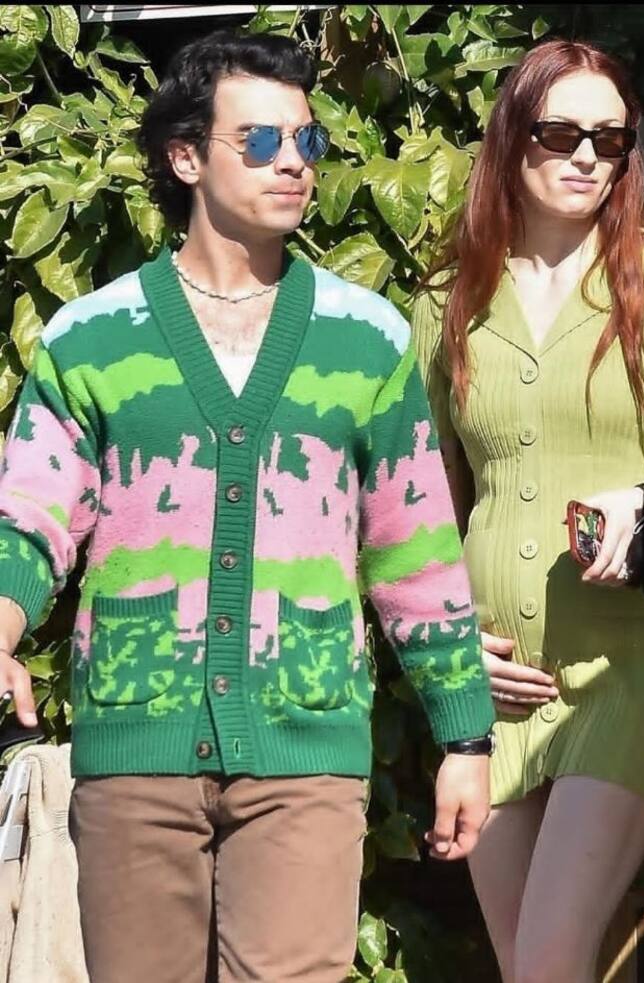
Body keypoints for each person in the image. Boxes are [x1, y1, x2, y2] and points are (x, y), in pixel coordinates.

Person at [0, 30, 495, 983]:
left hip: (306, 747)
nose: (293, 164)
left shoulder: (365, 337)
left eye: (306, 141)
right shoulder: (90, 337)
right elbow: (31, 513)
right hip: (135, 743)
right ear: (186, 157)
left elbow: (415, 551)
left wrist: (464, 735)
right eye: (260, 141)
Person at [412, 38, 644, 983]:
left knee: (550, 960)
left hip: (630, 668)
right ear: (510, 139)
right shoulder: (447, 300)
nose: (588, 155)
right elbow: (421, 508)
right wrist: (444, 647)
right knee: (530, 967)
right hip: (495, 683)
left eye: (611, 137)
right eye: (561, 133)